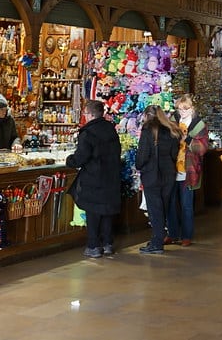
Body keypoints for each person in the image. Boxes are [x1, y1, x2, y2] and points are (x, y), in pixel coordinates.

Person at [66, 99, 122, 258]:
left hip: (93, 178)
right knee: (106, 211)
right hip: (111, 176)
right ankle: (108, 244)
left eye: (84, 113)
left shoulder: (88, 132)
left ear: (89, 114)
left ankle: (93, 246)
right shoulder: (110, 129)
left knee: (93, 213)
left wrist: (70, 161)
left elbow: (81, 156)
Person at [135, 104, 181, 254]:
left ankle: (157, 242)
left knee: (155, 210)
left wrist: (139, 166)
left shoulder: (148, 130)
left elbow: (143, 155)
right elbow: (174, 154)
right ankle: (159, 238)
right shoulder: (172, 130)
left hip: (152, 174)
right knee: (164, 207)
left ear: (147, 116)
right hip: (169, 173)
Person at [165, 94, 209, 247]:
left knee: (186, 205)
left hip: (189, 170)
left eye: (185, 109)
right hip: (171, 169)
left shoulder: (199, 125)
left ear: (192, 108)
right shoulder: (172, 122)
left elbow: (202, 148)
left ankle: (186, 236)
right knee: (170, 203)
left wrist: (188, 139)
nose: (182, 112)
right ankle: (172, 233)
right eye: (179, 109)